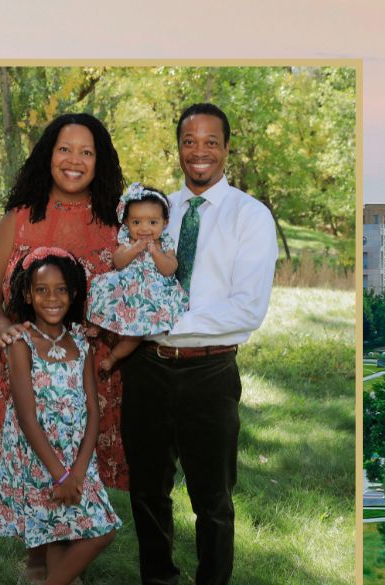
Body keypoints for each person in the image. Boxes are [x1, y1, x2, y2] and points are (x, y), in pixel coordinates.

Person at [121, 103, 277, 585]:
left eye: (211, 142)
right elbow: (127, 282)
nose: (200, 151)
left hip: (209, 374)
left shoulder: (249, 217)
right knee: (147, 493)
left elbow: (247, 309)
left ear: (227, 148)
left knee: (213, 501)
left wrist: (167, 320)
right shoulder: (155, 213)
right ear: (179, 149)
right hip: (146, 369)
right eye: (190, 141)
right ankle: (160, 580)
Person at [0, 113, 129, 583]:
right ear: (48, 155)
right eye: (64, 149)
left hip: (94, 372)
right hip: (28, 370)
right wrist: (5, 329)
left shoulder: (117, 222)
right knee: (38, 472)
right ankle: (41, 567)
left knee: (80, 473)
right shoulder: (19, 220)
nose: (74, 160)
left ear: (100, 162)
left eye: (86, 151)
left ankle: (61, 568)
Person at [0, 247, 120, 585]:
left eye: (61, 289)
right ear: (27, 294)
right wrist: (59, 474)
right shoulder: (21, 343)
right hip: (38, 456)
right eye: (42, 290)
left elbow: (93, 411)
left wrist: (78, 470)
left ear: (73, 293)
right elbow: (25, 416)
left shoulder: (81, 341)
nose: (52, 297)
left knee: (96, 529)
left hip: (77, 456)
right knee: (58, 527)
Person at [87, 183, 187, 370]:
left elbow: (170, 268)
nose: (144, 229)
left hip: (150, 297)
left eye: (152, 222)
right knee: (104, 290)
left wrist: (156, 253)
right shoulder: (127, 239)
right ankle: (98, 323)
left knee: (136, 334)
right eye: (136, 222)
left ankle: (113, 358)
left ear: (165, 222)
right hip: (125, 289)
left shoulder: (166, 243)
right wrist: (135, 248)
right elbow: (118, 261)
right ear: (126, 223)